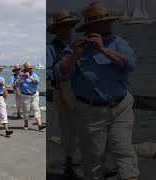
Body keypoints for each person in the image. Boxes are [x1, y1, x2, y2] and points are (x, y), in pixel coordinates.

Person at [55, 2, 139, 180]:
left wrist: (103, 49)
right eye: (103, 23)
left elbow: (130, 64)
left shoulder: (118, 43)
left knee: (124, 152)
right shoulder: (76, 47)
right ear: (90, 27)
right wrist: (75, 55)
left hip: (120, 107)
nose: (107, 26)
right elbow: (60, 73)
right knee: (94, 158)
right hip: (91, 112)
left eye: (108, 23)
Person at [47, 10, 81, 177]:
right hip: (63, 89)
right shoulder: (52, 48)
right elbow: (50, 72)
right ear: (58, 29)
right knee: (68, 128)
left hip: (80, 88)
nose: (67, 29)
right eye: (63, 26)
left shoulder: (75, 44)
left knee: (84, 126)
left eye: (69, 26)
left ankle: (77, 160)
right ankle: (68, 162)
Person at [16, 62, 46, 131]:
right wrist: (21, 79)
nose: (30, 70)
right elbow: (16, 85)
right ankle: (26, 124)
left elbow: (37, 82)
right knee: (26, 111)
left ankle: (39, 125)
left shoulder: (34, 75)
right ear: (25, 70)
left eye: (30, 68)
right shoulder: (21, 76)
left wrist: (29, 76)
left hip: (34, 94)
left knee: (36, 109)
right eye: (29, 69)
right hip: (25, 95)